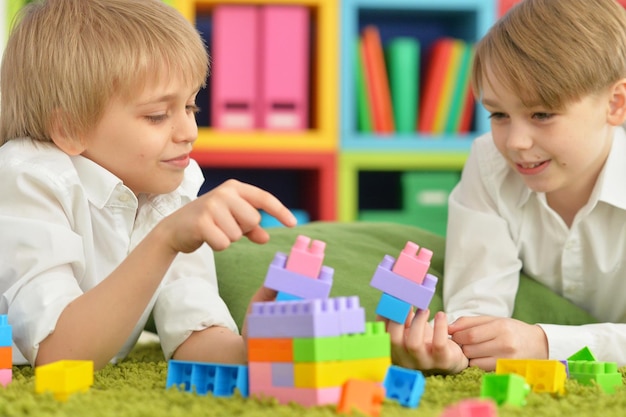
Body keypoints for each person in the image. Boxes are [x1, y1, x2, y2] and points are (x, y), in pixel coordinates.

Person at [0, 0, 297, 370]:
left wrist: (248, 352)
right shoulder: (28, 179)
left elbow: (191, 326)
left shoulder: (172, 182)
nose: (189, 132)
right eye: (157, 116)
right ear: (69, 128)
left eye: (191, 107)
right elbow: (59, 354)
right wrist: (165, 240)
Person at [385, 0, 626, 374]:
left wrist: (544, 343)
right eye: (498, 114)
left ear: (615, 103)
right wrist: (459, 348)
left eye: (541, 114)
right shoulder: (489, 161)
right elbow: (477, 298)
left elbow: (530, 343)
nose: (515, 142)